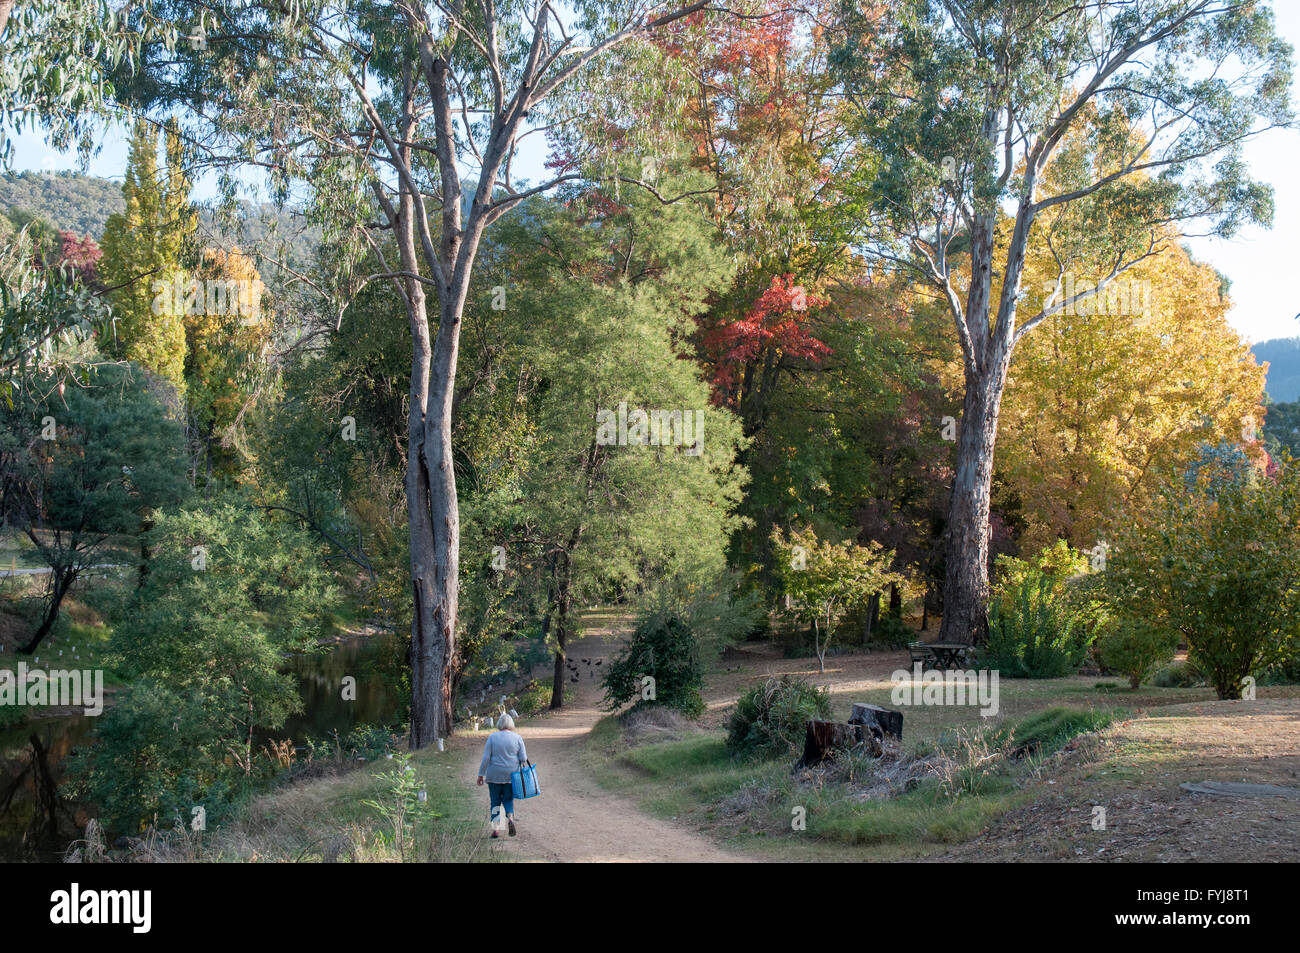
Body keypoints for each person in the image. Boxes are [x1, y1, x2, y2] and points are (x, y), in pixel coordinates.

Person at [477, 712, 528, 838]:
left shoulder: (492, 737)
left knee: (495, 801)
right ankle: (510, 818)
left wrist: (480, 774)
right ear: (511, 724)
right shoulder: (517, 738)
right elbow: (523, 758)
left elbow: (486, 758)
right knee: (508, 799)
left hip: (494, 775)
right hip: (511, 776)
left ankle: (496, 829)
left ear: (499, 724)